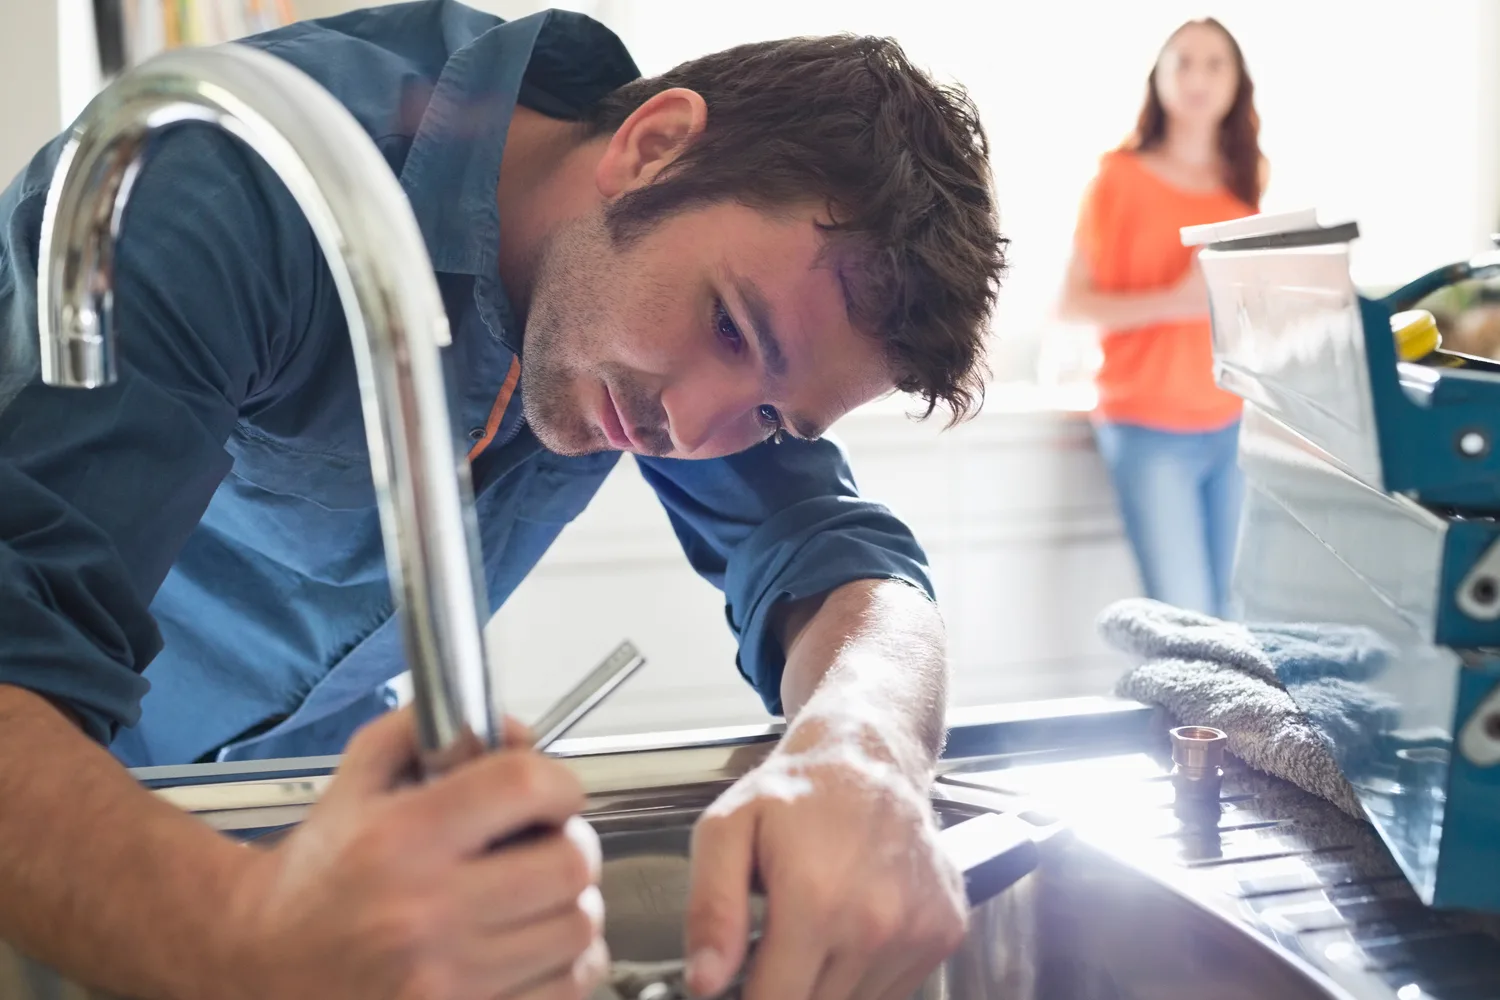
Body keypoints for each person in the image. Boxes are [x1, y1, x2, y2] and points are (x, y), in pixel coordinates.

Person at [0, 3, 1007, 1000]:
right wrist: (241, 935)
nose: (696, 433)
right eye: (734, 331)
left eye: (776, 419)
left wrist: (866, 749)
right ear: (654, 147)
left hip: (296, 784)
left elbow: (836, 557)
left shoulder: (652, 313)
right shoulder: (229, 185)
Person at [1057, 17, 1266, 619]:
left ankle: (1230, 721)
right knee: (1187, 620)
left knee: (1233, 618)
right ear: (1159, 78)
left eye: (1215, 63)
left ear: (1237, 82)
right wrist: (1177, 301)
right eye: (1184, 62)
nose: (1198, 77)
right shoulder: (1117, 178)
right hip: (1148, 428)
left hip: (1232, 423)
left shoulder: (1245, 180)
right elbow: (1072, 305)